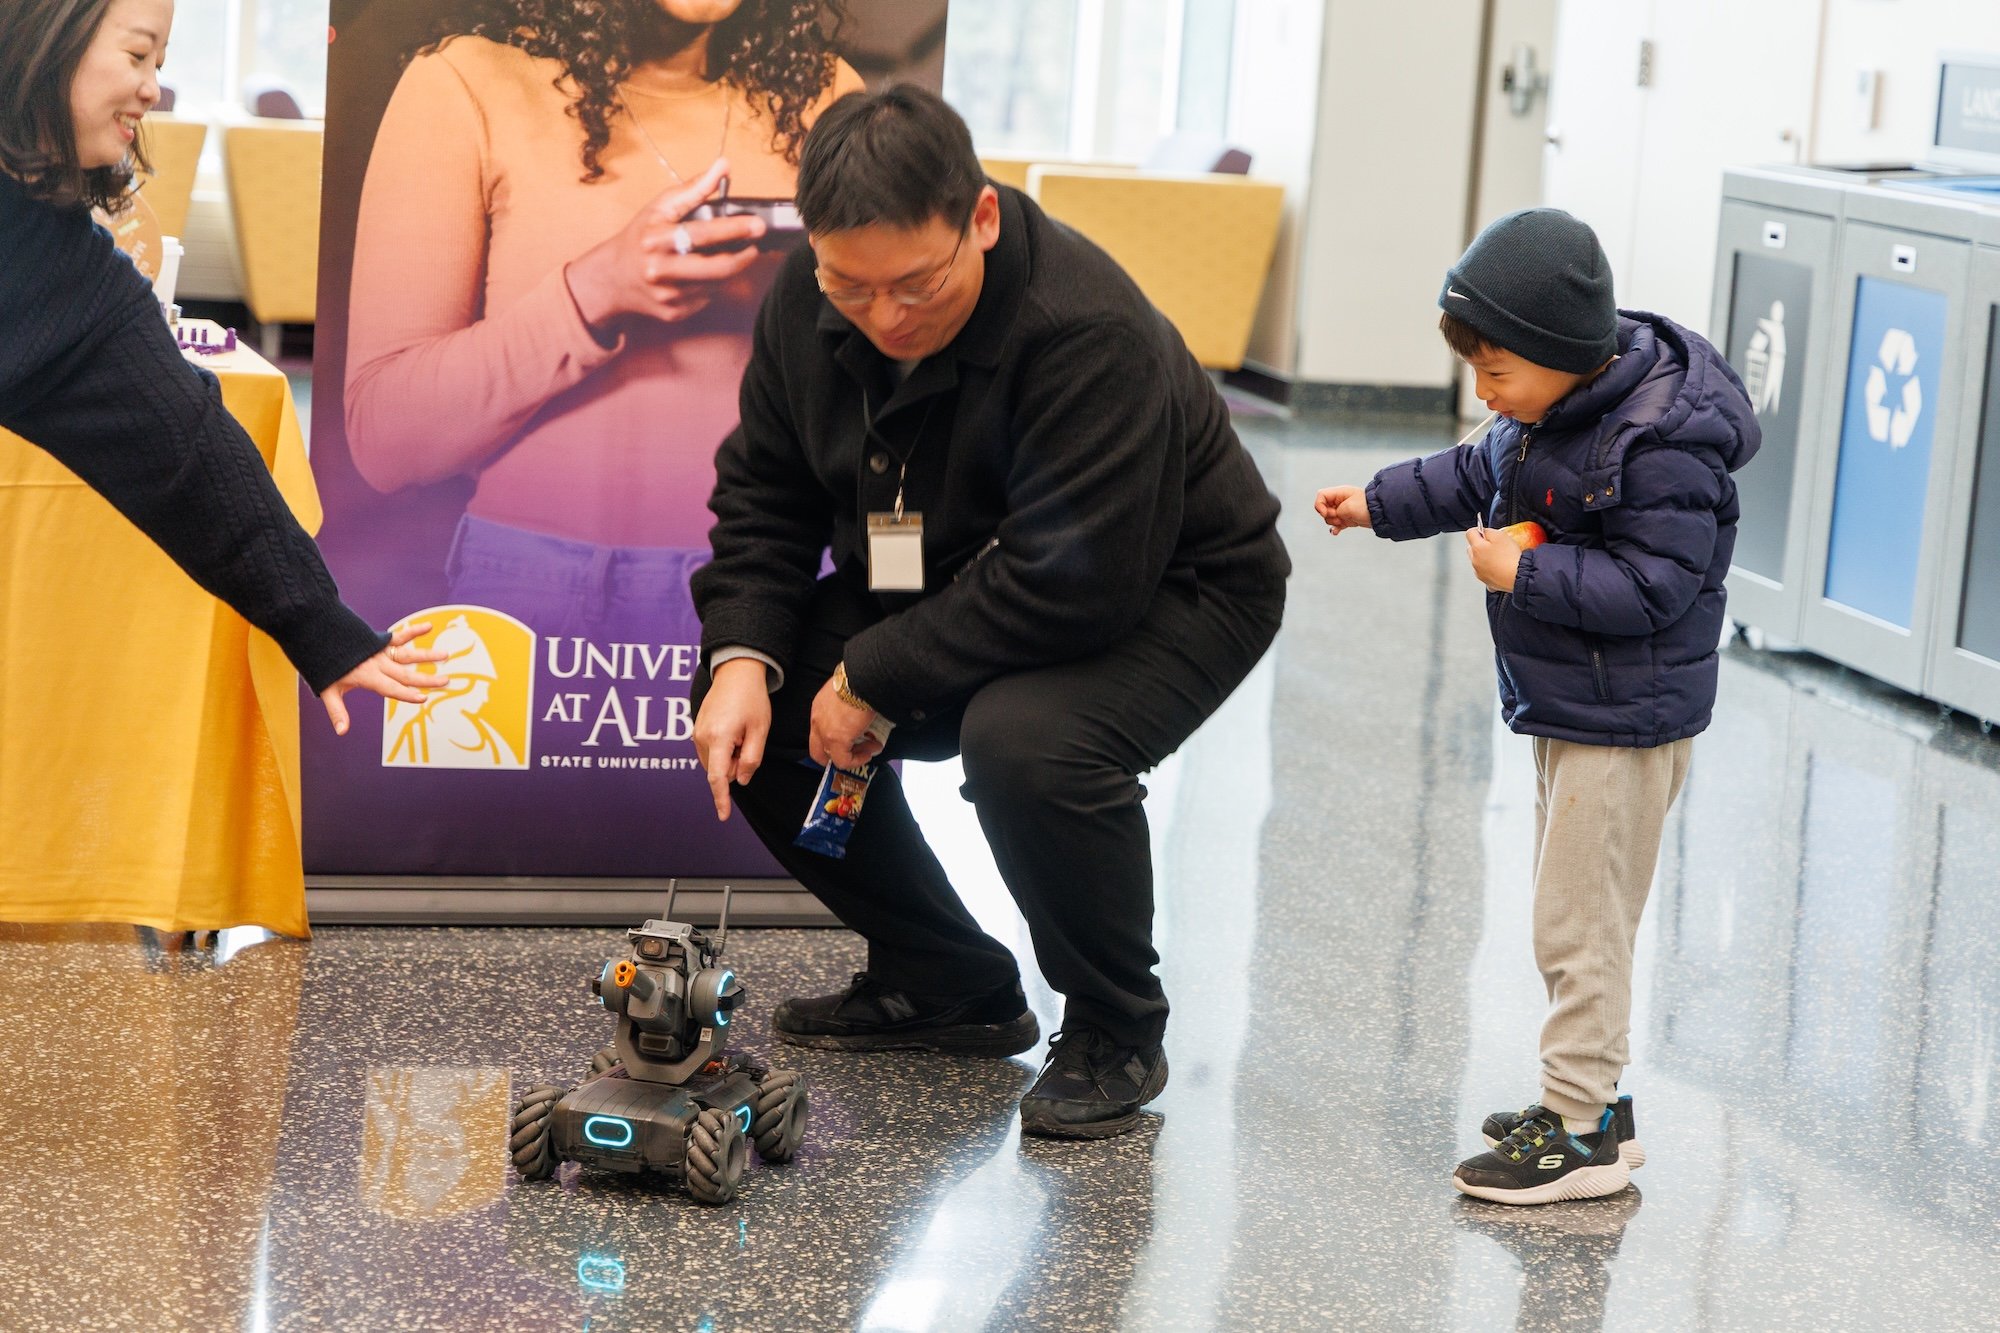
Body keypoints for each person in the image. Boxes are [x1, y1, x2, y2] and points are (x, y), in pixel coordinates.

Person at [689, 85, 1291, 1140]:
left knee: (1029, 743)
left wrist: (874, 673)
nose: (881, 317)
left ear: (978, 218)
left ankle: (1113, 1026)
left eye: (913, 285)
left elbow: (1077, 579)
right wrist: (742, 653)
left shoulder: (1084, 327)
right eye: (848, 284)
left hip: (1172, 583)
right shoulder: (807, 296)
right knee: (758, 703)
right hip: (955, 570)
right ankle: (941, 977)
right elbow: (766, 491)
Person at [1314, 208, 1759, 1203]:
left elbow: (1656, 589)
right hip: (1574, 708)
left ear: (1562, 354)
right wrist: (1376, 501)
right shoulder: (1542, 410)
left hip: (1624, 719)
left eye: (1496, 370)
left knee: (1577, 922)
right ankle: (1596, 1105)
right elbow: (1469, 472)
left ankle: (1576, 1136)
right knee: (1582, 912)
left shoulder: (1659, 443)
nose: (1483, 392)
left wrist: (1523, 573)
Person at [342, 0, 864, 635]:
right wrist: (592, 295)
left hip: (768, 584)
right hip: (529, 590)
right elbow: (385, 438)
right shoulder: (465, 83)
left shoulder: (823, 94)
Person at [0, 0, 441, 730]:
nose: (151, 88)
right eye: (138, 56)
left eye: (161, 65)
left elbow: (193, 452)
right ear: (52, 41)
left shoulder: (75, 278)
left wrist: (320, 627)